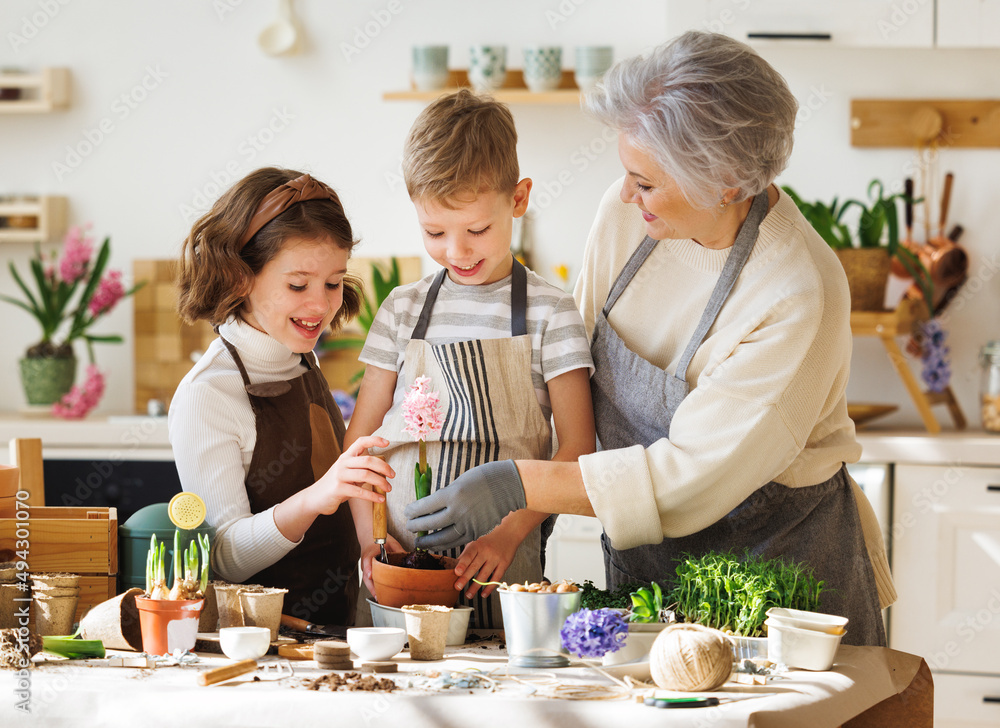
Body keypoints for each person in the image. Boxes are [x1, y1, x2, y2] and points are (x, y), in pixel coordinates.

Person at [404, 32, 896, 646]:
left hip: (777, 581)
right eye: (627, 174)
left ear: (724, 180)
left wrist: (516, 484)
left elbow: (685, 478)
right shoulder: (628, 215)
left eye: (646, 182)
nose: (627, 194)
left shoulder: (795, 292)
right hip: (650, 572)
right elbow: (575, 366)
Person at [346, 90, 596, 629]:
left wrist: (507, 534)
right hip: (397, 572)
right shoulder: (402, 309)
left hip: (503, 568)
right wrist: (375, 540)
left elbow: (577, 448)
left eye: (477, 230)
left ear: (519, 199)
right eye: (434, 232)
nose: (456, 251)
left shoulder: (551, 312)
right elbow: (360, 444)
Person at [170, 167, 394, 627]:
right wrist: (317, 497)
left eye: (333, 283)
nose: (320, 306)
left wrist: (372, 542)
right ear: (239, 278)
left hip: (333, 636)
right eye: (298, 285)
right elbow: (226, 556)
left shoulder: (300, 360)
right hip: (263, 648)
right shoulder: (207, 394)